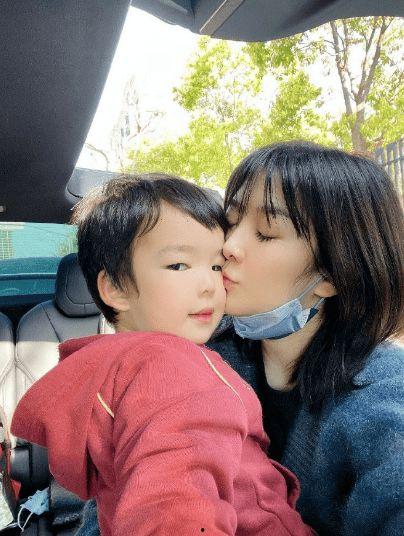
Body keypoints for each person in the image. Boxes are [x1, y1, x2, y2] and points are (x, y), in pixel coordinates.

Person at [11, 174, 314, 536]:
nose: (210, 285)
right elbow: (172, 510)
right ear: (116, 288)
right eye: (179, 265)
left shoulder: (117, 367)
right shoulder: (171, 372)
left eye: (216, 265)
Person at [219, 141, 404, 536]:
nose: (229, 246)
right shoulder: (200, 354)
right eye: (230, 222)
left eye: (265, 233)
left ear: (333, 273)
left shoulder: (385, 392)